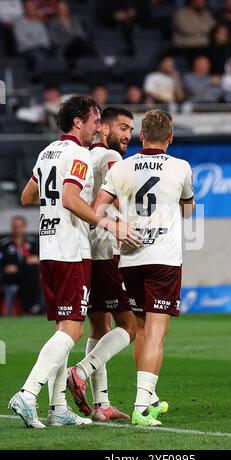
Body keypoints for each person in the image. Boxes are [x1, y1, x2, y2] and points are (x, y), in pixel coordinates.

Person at [8, 95, 140, 429]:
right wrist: (108, 223)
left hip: (49, 246)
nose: (99, 128)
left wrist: (55, 200)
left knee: (62, 330)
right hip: (71, 248)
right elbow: (69, 198)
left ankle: (57, 408)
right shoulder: (79, 154)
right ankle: (27, 392)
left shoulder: (46, 152)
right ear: (78, 121)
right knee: (74, 329)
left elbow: (27, 197)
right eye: (96, 121)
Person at [93, 109, 195, 426]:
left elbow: (98, 209)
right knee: (156, 334)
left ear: (140, 136)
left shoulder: (122, 167)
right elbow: (189, 211)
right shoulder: (181, 166)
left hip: (130, 258)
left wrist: (118, 226)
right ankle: (140, 408)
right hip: (163, 259)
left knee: (138, 328)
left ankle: (148, 400)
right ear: (170, 137)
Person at [68, 107, 136, 422]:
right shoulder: (111, 158)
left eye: (131, 129)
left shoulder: (85, 155)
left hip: (85, 250)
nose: (128, 135)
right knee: (129, 326)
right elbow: (122, 200)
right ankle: (80, 371)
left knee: (99, 326)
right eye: (122, 127)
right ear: (104, 129)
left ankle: (101, 405)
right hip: (104, 252)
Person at [0, 216, 41, 316]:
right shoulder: (4, 243)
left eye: (20, 226)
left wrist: (38, 259)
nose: (17, 229)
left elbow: (44, 258)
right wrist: (5, 267)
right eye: (15, 227)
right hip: (10, 276)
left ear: (25, 227)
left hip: (29, 276)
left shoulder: (34, 242)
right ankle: (29, 307)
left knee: (32, 273)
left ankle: (31, 307)